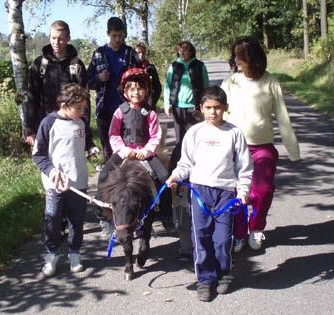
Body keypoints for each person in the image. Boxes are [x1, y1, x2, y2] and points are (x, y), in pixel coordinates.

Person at [166, 85, 252, 302]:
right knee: (201, 238)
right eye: (209, 107)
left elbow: (244, 166)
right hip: (199, 192)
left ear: (225, 108)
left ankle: (224, 274)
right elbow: (185, 162)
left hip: (225, 194)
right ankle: (205, 280)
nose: (213, 112)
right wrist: (176, 176)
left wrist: (243, 191)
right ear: (201, 109)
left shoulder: (234, 133)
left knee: (222, 240)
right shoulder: (195, 132)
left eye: (218, 107)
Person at [221, 37, 300, 253]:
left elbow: (282, 117)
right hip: (235, 148)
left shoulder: (270, 82)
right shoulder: (230, 83)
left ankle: (255, 227)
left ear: (252, 58)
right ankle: (238, 234)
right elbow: (218, 113)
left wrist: (292, 148)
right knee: (237, 193)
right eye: (235, 56)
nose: (236, 60)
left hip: (263, 147)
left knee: (262, 191)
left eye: (240, 56)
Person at [97, 68, 173, 238]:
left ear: (146, 91)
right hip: (124, 152)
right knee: (103, 177)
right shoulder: (120, 112)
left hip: (144, 152)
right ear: (125, 91)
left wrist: (146, 151)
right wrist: (124, 151)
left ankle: (166, 214)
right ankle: (104, 216)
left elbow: (155, 135)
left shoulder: (150, 113)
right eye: (132, 89)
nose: (136, 92)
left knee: (165, 178)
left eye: (140, 88)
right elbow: (114, 134)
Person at [32, 84, 95, 277]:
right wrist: (51, 171)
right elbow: (38, 155)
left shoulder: (82, 122)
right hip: (55, 184)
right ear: (64, 104)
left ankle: (74, 253)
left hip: (79, 181)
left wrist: (91, 148)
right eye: (79, 107)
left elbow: (88, 141)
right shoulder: (48, 123)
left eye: (84, 107)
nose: (82, 111)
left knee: (77, 221)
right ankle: (51, 255)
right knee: (53, 219)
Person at [24, 20, 94, 150]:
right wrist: (29, 129)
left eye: (61, 39)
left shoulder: (76, 65)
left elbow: (85, 101)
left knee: (70, 163)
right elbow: (32, 98)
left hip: (71, 124)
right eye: (53, 38)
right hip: (45, 124)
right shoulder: (39, 64)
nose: (56, 42)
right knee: (48, 166)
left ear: (68, 38)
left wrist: (85, 131)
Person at [88, 16, 140, 165]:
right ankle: (111, 183)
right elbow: (88, 82)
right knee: (108, 150)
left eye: (120, 35)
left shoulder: (130, 53)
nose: (118, 39)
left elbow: (142, 81)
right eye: (114, 35)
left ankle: (127, 182)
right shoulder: (99, 53)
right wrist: (99, 78)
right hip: (104, 109)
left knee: (128, 148)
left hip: (128, 109)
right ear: (108, 33)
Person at [163, 41, 209, 172]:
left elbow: (206, 86)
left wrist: (205, 105)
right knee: (180, 140)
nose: (183, 53)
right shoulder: (174, 66)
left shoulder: (199, 66)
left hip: (194, 108)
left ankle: (197, 166)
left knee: (195, 138)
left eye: (186, 50)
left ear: (191, 51)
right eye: (180, 51)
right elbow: (167, 86)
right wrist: (167, 103)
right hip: (178, 107)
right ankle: (178, 168)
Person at [134, 43, 162, 110]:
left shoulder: (151, 68)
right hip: (134, 103)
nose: (141, 54)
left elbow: (158, 87)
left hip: (148, 103)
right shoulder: (132, 67)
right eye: (138, 52)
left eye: (143, 52)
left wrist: (152, 101)